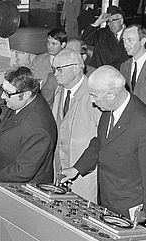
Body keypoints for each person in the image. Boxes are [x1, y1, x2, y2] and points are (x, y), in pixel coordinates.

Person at [60, 65, 146, 221]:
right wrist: (77, 168)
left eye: (94, 96)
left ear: (111, 94)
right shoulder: (110, 109)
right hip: (108, 198)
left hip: (131, 208)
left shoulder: (145, 126)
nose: (92, 101)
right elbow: (100, 143)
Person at [0, 66, 56, 187]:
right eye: (3, 90)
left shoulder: (38, 128)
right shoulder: (25, 101)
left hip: (23, 189)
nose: (2, 97)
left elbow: (24, 170)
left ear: (26, 94)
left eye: (8, 93)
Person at [51, 49, 101, 201]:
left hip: (84, 175)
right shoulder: (60, 91)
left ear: (77, 67)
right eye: (54, 69)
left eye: (59, 69)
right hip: (60, 170)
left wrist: (79, 167)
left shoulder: (95, 95)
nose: (55, 74)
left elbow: (102, 140)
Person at [120, 24, 146, 109]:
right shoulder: (124, 66)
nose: (125, 45)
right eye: (124, 40)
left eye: (130, 40)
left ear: (143, 41)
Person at [81, 5, 128, 70]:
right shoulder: (102, 34)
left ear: (121, 21)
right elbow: (86, 39)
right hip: (100, 74)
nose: (111, 24)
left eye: (113, 20)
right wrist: (97, 22)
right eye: (108, 21)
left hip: (121, 75)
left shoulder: (130, 34)